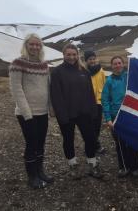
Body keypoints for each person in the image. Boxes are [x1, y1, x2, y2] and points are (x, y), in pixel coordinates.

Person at [50, 44, 102, 179]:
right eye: (69, 54)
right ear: (64, 55)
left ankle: (92, 164)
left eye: (74, 54)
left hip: (84, 112)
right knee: (68, 140)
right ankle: (73, 166)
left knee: (90, 138)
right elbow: (56, 96)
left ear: (77, 55)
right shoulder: (57, 72)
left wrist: (93, 110)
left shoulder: (83, 71)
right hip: (67, 114)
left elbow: (90, 92)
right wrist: (61, 115)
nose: (72, 57)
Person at [9, 33, 53, 189]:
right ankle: (32, 176)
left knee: (41, 143)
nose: (35, 47)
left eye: (38, 44)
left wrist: (50, 109)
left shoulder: (44, 65)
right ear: (26, 45)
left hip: (42, 113)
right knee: (31, 144)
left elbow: (48, 87)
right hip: (26, 114)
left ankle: (40, 171)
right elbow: (16, 90)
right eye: (32, 44)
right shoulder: (17, 63)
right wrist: (27, 114)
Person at [101, 56, 138, 177]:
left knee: (133, 142)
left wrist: (135, 63)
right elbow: (105, 100)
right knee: (120, 143)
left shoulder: (129, 77)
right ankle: (123, 167)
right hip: (116, 116)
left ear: (123, 64)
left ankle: (135, 167)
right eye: (115, 64)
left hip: (130, 115)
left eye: (119, 63)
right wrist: (108, 119)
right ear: (112, 66)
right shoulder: (109, 81)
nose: (117, 65)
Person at [84, 50, 107, 155]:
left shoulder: (101, 71)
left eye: (93, 59)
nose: (92, 61)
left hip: (98, 102)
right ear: (86, 60)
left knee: (97, 125)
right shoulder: (83, 71)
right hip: (87, 103)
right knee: (89, 126)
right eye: (90, 59)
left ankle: (95, 145)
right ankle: (91, 146)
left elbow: (104, 85)